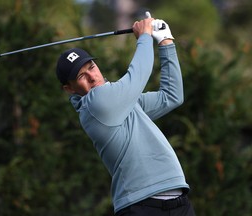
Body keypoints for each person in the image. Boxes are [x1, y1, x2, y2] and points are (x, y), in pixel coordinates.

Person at [56, 11, 195, 216]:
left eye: (92, 67)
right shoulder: (95, 105)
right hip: (141, 206)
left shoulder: (122, 101)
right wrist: (145, 36)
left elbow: (171, 96)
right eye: (81, 76)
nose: (92, 77)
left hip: (178, 202)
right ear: (70, 89)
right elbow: (138, 75)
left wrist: (166, 41)